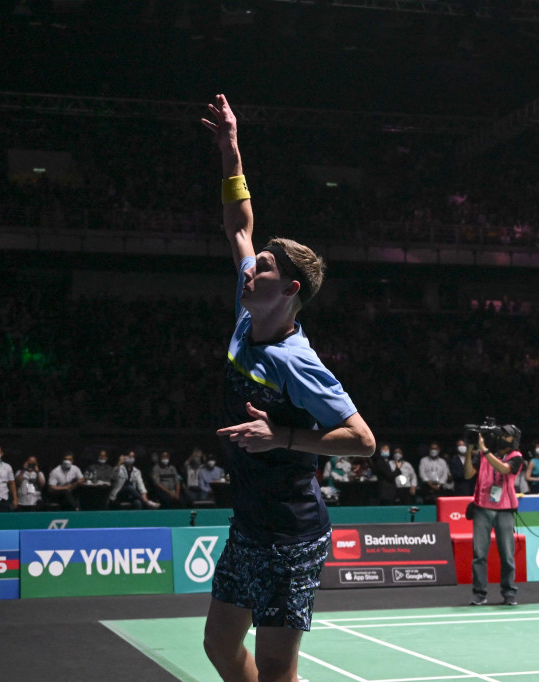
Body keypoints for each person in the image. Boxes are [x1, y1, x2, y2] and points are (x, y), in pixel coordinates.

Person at [201, 94, 376, 682]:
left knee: (278, 667)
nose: (251, 268)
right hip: (249, 521)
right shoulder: (248, 310)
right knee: (219, 646)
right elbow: (239, 225)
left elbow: (363, 441)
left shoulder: (298, 363)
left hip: (291, 530)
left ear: (291, 289)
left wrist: (284, 436)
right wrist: (231, 150)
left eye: (265, 268)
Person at [464, 428, 523, 606]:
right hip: (482, 508)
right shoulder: (482, 455)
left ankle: (509, 592)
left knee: (507, 555)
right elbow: (468, 474)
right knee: (479, 554)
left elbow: (503, 469)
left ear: (514, 439)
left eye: (508, 436)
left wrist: (485, 450)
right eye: (502, 435)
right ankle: (480, 594)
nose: (504, 438)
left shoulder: (516, 456)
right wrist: (469, 450)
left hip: (505, 510)